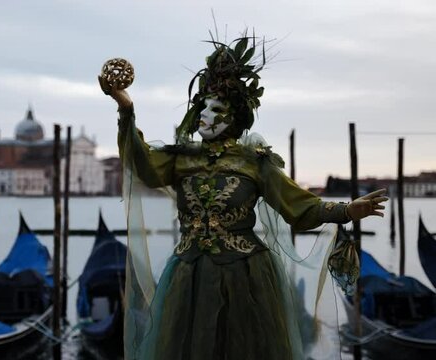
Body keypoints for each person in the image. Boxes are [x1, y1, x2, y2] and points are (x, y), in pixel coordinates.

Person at [99, 36, 388, 360]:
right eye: (204, 107)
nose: (206, 115)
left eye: (217, 109)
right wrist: (126, 108)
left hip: (245, 278)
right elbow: (142, 164)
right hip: (188, 277)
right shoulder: (182, 158)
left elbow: (298, 204)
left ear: (234, 117)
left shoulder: (255, 162)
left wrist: (346, 210)